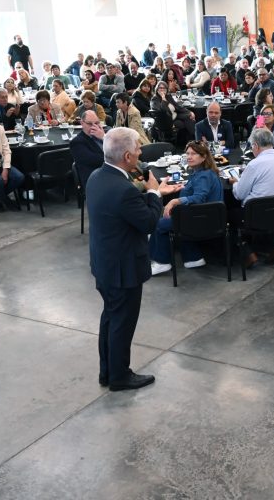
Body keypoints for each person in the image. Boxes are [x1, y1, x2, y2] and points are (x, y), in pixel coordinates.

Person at [87, 128, 162, 391]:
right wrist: (154, 193)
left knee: (110, 317)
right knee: (122, 322)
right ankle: (120, 376)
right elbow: (149, 222)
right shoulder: (123, 189)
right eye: (138, 148)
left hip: (104, 263)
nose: (141, 152)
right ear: (128, 156)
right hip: (123, 268)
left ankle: (107, 371)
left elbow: (121, 210)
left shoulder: (96, 177)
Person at [150, 141, 223, 273]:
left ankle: (162, 262)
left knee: (159, 224)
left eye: (193, 154)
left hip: (201, 220)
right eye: (187, 153)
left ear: (204, 157)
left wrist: (175, 201)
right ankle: (193, 258)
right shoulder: (203, 172)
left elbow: (198, 198)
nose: (189, 157)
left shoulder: (203, 176)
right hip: (205, 217)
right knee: (176, 217)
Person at [230, 127, 274, 267]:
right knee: (267, 203)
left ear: (256, 145)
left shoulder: (254, 164)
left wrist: (235, 183)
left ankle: (247, 253)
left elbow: (239, 194)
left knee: (230, 215)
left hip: (255, 215)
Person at [70, 109, 106, 185]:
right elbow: (98, 161)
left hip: (108, 174)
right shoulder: (77, 142)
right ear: (82, 123)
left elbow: (119, 150)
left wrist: (104, 137)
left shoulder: (103, 135)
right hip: (94, 181)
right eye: (89, 124)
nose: (94, 127)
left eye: (96, 123)